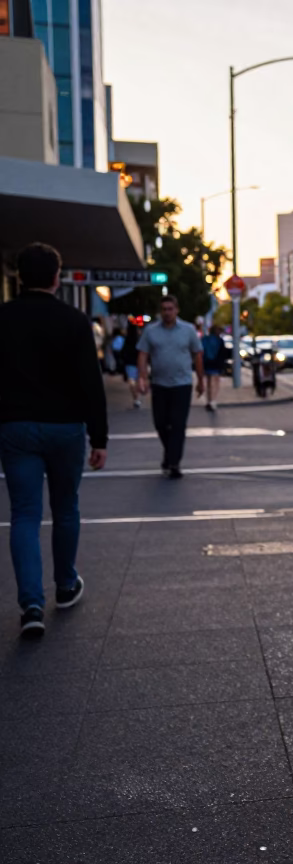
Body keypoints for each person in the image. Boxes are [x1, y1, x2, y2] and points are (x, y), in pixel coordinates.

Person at [0, 243, 107, 639]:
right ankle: (65, 585)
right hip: (65, 428)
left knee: (24, 514)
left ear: (19, 277)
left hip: (16, 427)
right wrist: (100, 437)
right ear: (57, 278)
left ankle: (30, 603)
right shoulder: (75, 321)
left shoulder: (3, 318)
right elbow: (91, 385)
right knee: (65, 508)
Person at [137, 296, 204, 479]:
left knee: (177, 424)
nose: (167, 312)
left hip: (182, 384)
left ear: (177, 310)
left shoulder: (188, 330)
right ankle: (170, 455)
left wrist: (201, 380)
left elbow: (197, 354)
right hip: (159, 384)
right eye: (164, 309)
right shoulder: (151, 331)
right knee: (160, 423)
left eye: (170, 309)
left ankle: (173, 462)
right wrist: (142, 378)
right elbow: (143, 354)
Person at [201, 325, 226, 411]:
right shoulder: (219, 341)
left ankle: (209, 400)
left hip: (207, 363)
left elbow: (201, 352)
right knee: (215, 382)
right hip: (216, 364)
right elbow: (222, 354)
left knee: (208, 382)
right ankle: (213, 400)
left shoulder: (205, 339)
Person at [121, 321, 141, 408]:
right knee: (137, 380)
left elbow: (123, 351)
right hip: (138, 362)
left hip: (130, 363)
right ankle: (137, 396)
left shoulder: (127, 340)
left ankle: (135, 398)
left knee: (131, 380)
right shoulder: (139, 339)